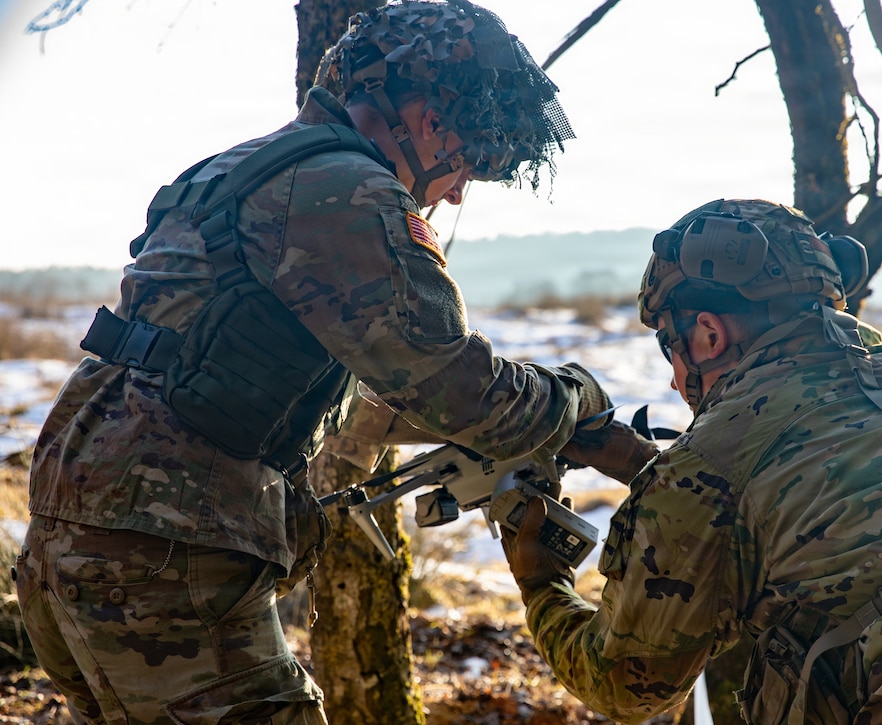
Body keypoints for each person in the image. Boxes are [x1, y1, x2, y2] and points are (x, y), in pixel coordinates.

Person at [14, 2, 652, 722]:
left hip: (75, 538)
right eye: (464, 158)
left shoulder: (247, 167)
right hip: (163, 561)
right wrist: (572, 397)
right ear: (425, 119)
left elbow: (350, 398)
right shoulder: (350, 191)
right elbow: (461, 394)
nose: (460, 188)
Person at [502, 198, 882, 724]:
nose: (676, 378)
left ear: (708, 333)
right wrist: (645, 465)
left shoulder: (712, 460)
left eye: (668, 345)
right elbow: (829, 497)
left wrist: (540, 578)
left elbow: (627, 685)